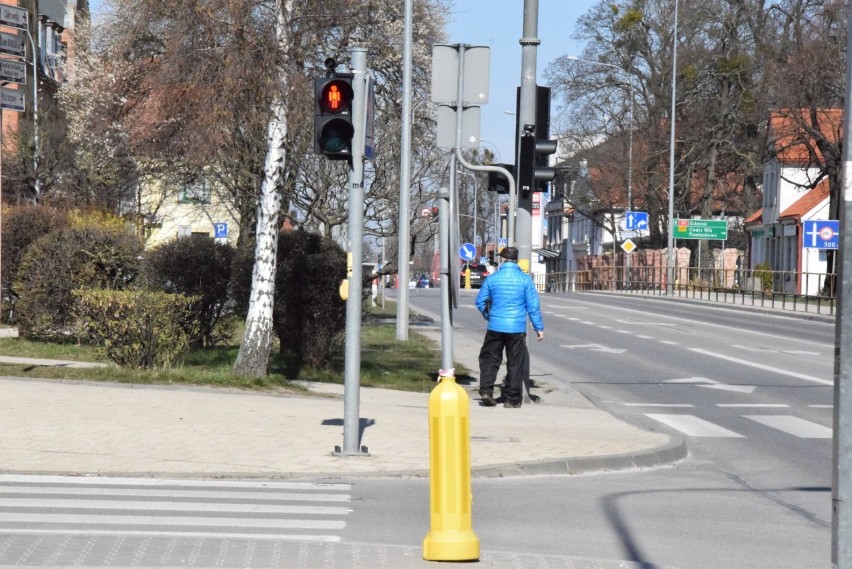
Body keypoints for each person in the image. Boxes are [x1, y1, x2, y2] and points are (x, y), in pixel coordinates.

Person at [474, 246, 544, 408]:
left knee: (489, 359)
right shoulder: (525, 280)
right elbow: (533, 307)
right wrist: (538, 328)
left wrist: (489, 316)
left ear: (502, 260)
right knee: (515, 362)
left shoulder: (493, 278)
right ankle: (511, 400)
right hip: (516, 328)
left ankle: (486, 391)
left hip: (495, 327)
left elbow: (479, 301)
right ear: (516, 260)